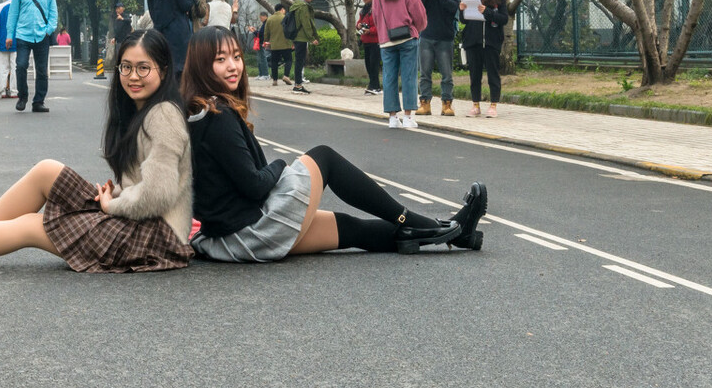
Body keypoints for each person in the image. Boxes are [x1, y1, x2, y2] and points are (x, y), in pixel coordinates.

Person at [0, 29, 193, 273]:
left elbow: (158, 194)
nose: (132, 76)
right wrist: (118, 192)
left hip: (155, 238)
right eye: (125, 67)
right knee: (47, 170)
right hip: (137, 220)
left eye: (143, 68)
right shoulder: (141, 110)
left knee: (31, 225)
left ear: (163, 71)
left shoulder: (163, 115)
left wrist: (113, 206)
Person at [182, 26, 486, 262]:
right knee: (323, 158)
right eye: (220, 60)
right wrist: (279, 165)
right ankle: (419, 220)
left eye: (236, 57)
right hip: (252, 231)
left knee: (352, 229)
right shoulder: (217, 115)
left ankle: (455, 233)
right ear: (201, 65)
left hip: (233, 239)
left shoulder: (201, 113)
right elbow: (254, 185)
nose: (233, 66)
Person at [372, 0, 428, 129]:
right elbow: (418, 14)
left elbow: (375, 14)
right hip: (407, 38)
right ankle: (409, 117)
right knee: (409, 77)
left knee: (389, 77)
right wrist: (417, 29)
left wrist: (382, 32)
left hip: (386, 40)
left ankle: (392, 118)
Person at [5, 0, 59, 113]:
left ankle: (38, 102)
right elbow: (13, 13)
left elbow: (53, 12)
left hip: (42, 35)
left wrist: (49, 29)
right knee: (21, 65)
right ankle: (23, 97)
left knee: (42, 70)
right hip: (23, 35)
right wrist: (10, 35)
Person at [459, 0, 510, 118]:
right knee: (474, 75)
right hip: (473, 42)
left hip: (491, 42)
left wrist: (487, 11)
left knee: (493, 74)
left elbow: (503, 19)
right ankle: (475, 105)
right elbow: (464, 20)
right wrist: (461, 10)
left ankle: (493, 104)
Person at [417, 0, 461, 117]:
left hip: (445, 38)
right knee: (424, 73)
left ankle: (447, 104)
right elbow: (418, 8)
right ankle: (425, 103)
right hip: (426, 36)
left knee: (447, 74)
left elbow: (452, 8)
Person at [147, 0, 201, 75]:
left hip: (160, 33)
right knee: (180, 70)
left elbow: (152, 11)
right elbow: (185, 6)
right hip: (178, 34)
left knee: (165, 68)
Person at [288, 0, 318, 95]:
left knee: (298, 62)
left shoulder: (295, 5)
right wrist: (312, 38)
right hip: (301, 37)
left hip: (296, 36)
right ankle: (298, 85)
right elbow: (307, 24)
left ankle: (298, 84)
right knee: (300, 62)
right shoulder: (303, 6)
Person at [356, 0, 381, 95]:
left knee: (374, 64)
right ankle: (372, 84)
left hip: (375, 41)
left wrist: (370, 30)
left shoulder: (376, 8)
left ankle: (376, 87)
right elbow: (360, 21)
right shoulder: (364, 9)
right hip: (366, 40)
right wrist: (359, 25)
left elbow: (379, 25)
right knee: (368, 65)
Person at [262, 3, 293, 86]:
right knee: (288, 60)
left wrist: (266, 41)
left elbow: (266, 33)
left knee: (274, 62)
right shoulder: (286, 18)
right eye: (284, 10)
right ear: (282, 9)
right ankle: (286, 76)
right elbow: (290, 30)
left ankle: (275, 80)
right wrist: (293, 41)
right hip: (285, 44)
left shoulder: (270, 19)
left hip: (274, 45)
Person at [253, 11, 270, 78]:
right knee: (259, 58)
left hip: (263, 43)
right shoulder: (264, 24)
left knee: (263, 58)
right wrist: (255, 31)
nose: (260, 19)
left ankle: (265, 74)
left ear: (265, 16)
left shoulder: (266, 24)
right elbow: (260, 33)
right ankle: (261, 73)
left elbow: (261, 34)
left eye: (261, 17)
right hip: (260, 43)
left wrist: (254, 31)